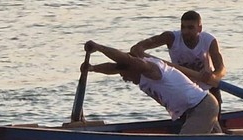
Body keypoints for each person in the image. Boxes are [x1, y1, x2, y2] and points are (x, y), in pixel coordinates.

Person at [83, 40, 220, 134]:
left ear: (134, 67)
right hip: (193, 110)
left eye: (127, 75)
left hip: (202, 108)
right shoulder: (135, 70)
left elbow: (126, 60)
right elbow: (113, 67)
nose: (126, 79)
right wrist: (92, 68)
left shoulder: (150, 68)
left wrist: (99, 47)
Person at [130, 10, 226, 107]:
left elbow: (221, 70)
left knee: (213, 116)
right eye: (183, 27)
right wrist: (138, 49)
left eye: (190, 28)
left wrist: (213, 76)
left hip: (207, 86)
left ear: (199, 28)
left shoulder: (209, 40)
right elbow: (138, 47)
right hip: (184, 86)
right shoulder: (170, 37)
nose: (185, 31)